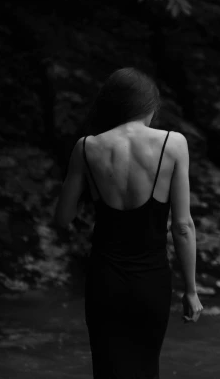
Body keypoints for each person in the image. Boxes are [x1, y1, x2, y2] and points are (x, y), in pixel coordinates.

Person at [54, 67, 203, 379]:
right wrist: (190, 290)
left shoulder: (86, 147)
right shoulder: (173, 144)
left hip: (104, 279)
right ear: (149, 106)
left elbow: (63, 217)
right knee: (146, 368)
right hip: (151, 281)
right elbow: (183, 227)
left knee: (107, 371)